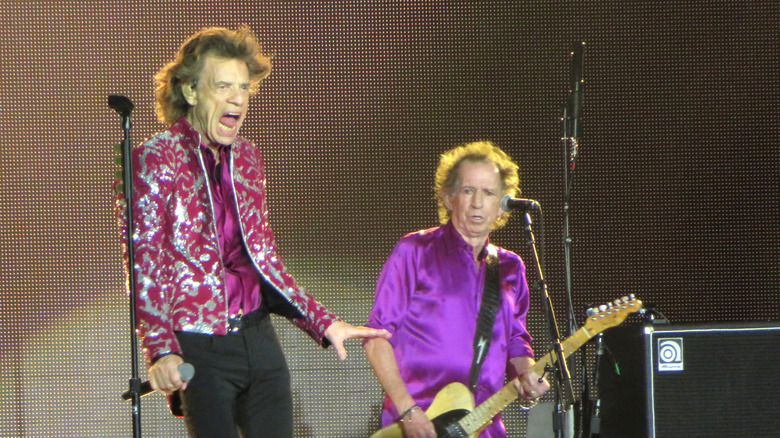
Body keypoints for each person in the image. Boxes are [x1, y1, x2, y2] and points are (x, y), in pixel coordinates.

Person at [115, 25, 390, 438]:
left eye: (244, 87)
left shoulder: (247, 157)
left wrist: (322, 322)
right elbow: (145, 264)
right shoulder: (155, 158)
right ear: (191, 92)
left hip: (258, 339)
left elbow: (262, 255)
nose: (238, 99)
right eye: (223, 86)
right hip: (200, 345)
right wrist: (161, 350)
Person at [364, 141, 550, 438]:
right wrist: (408, 410)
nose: (478, 202)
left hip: (485, 427)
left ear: (502, 202)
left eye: (489, 193)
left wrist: (528, 373)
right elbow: (376, 338)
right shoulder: (415, 250)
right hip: (419, 422)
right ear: (449, 198)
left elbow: (516, 340)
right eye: (468, 191)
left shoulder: (511, 267)